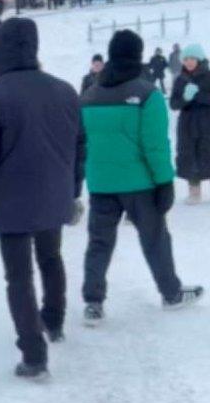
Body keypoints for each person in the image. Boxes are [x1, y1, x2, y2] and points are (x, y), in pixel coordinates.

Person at [0, 18, 86, 380]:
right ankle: (55, 320)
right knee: (51, 258)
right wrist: (72, 188)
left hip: (12, 199)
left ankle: (34, 353)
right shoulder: (64, 91)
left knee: (19, 276)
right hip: (54, 194)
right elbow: (79, 145)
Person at [81, 30, 204, 328]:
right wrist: (165, 182)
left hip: (101, 184)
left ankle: (93, 303)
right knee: (155, 239)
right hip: (141, 185)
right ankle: (171, 293)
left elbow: (82, 143)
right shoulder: (147, 94)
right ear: (137, 55)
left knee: (99, 243)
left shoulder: (88, 96)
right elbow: (155, 145)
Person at [169, 44, 210, 205]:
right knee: (189, 155)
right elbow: (173, 104)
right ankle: (194, 192)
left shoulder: (208, 76)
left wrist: (197, 95)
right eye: (186, 59)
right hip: (187, 125)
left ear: (199, 59)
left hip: (206, 123)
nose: (189, 62)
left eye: (192, 58)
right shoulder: (180, 79)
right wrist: (185, 98)